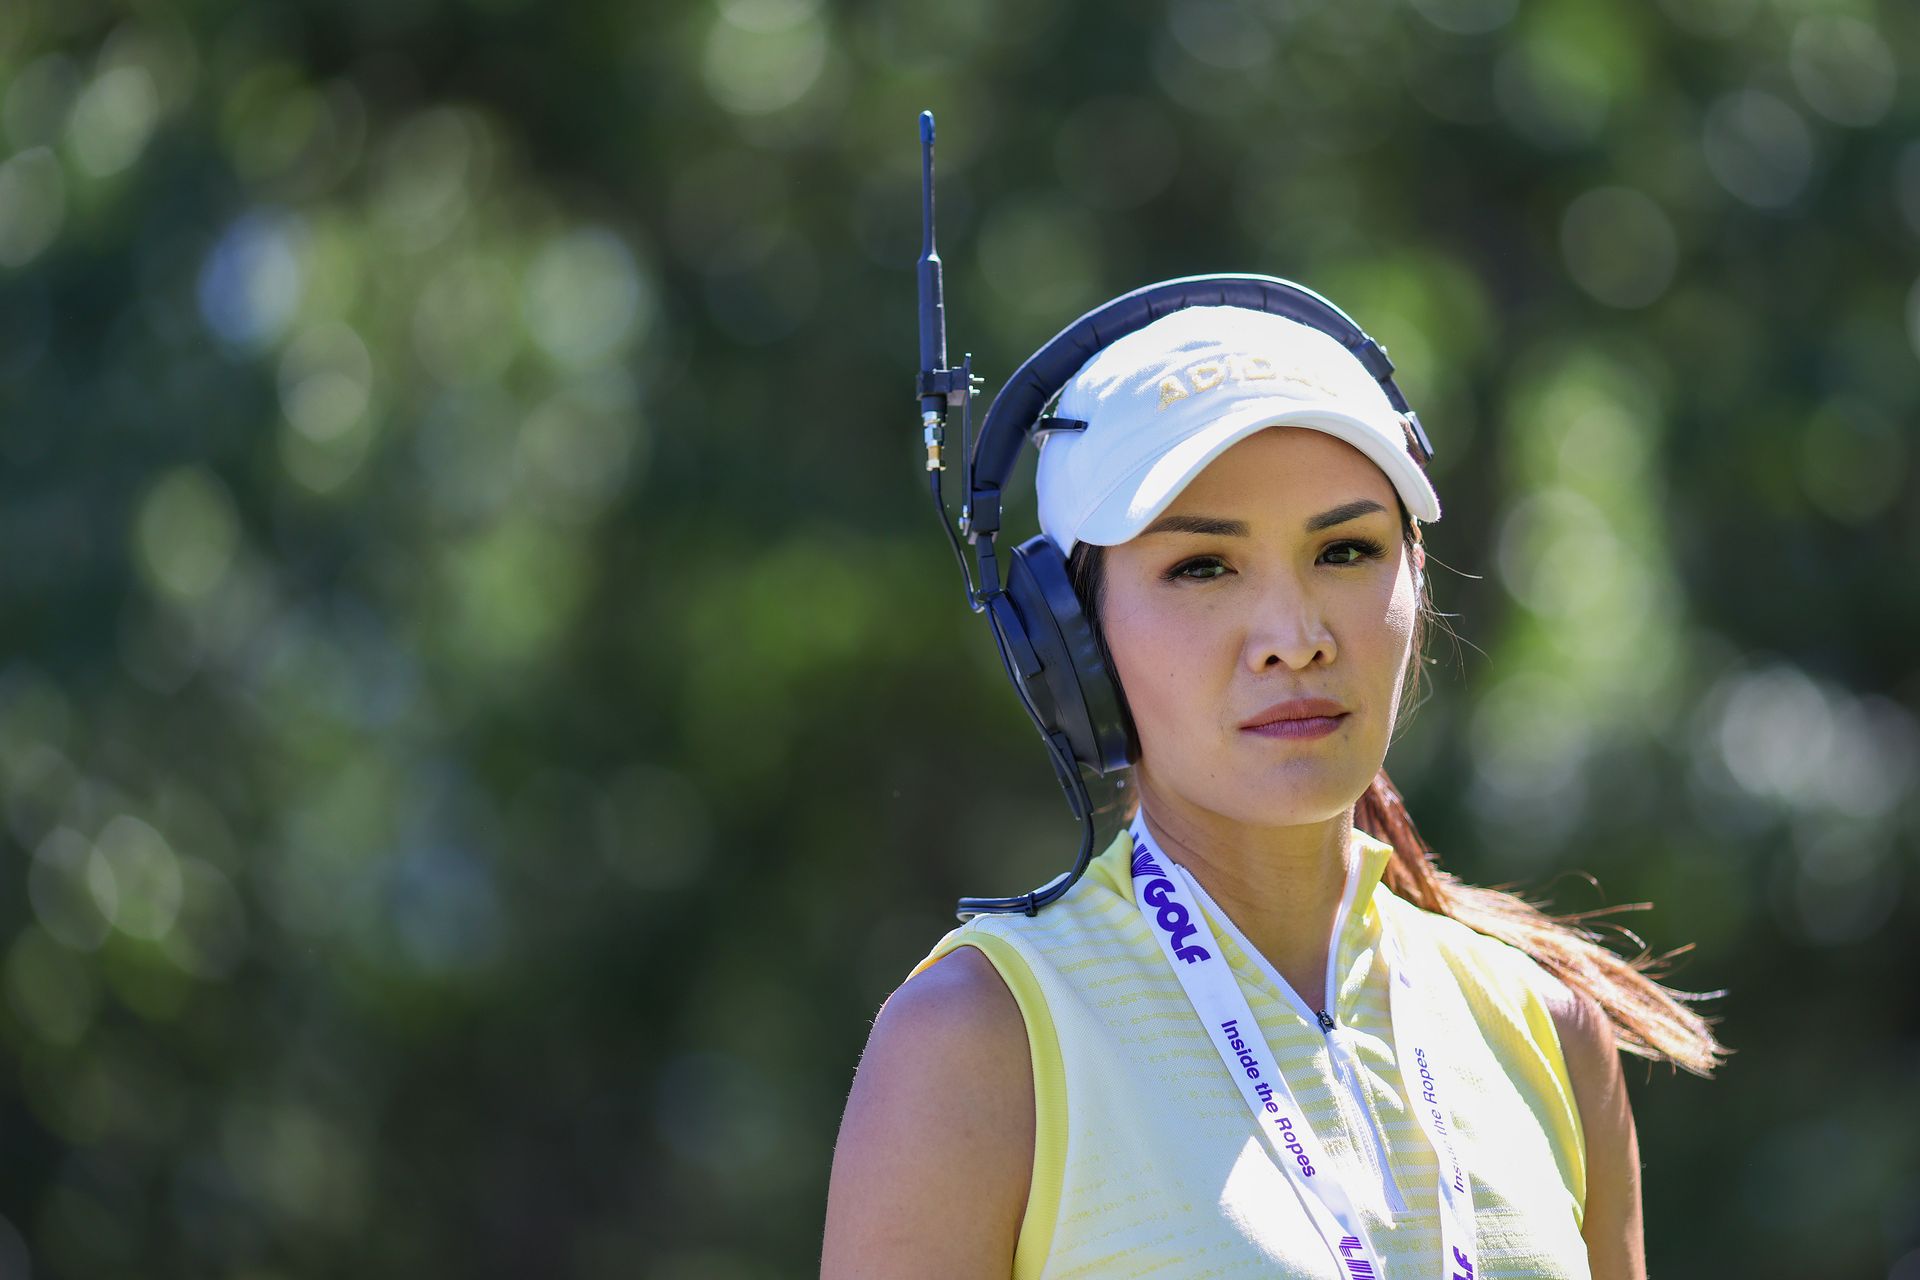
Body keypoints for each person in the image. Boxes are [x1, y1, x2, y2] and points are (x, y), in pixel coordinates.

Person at [821, 300, 1726, 1279]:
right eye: (1202, 566)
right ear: (1069, 641)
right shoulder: (975, 1043)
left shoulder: (1549, 1031)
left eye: (1346, 550)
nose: (1295, 637)